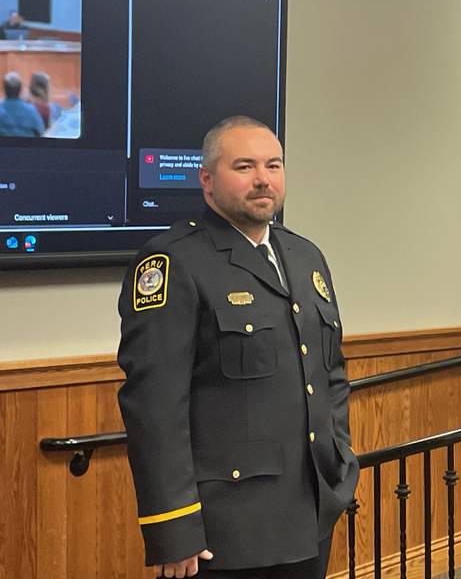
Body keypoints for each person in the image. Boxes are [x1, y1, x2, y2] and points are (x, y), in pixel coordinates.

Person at [117, 115, 359, 578]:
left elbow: (331, 374)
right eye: (244, 167)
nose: (263, 179)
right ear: (207, 180)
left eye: (274, 165)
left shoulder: (306, 257)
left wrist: (340, 463)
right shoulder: (174, 262)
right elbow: (155, 407)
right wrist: (174, 527)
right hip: (225, 529)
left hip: (310, 512)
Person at [0, 72, 44, 137]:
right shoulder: (31, 110)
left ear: (4, 88)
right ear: (20, 88)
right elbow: (40, 132)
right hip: (27, 146)